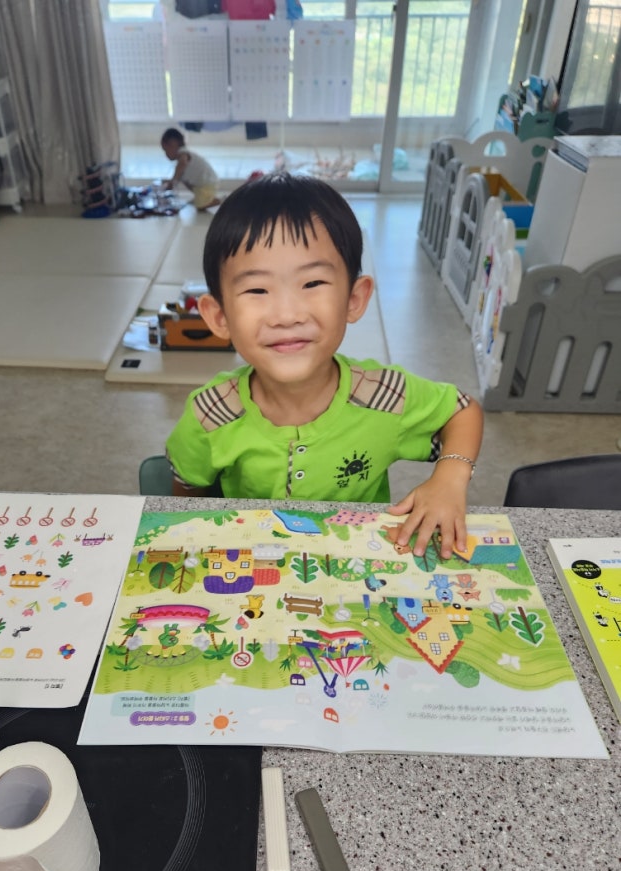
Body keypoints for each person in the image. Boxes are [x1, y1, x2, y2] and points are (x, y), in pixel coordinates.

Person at [165, 172, 483, 558]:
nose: (287, 315)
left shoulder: (383, 396)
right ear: (219, 317)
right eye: (257, 289)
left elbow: (463, 410)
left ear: (354, 299)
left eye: (313, 283)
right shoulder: (210, 414)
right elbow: (187, 499)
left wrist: (450, 477)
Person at [160, 127, 220, 210]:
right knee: (183, 179)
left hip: (208, 184)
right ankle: (202, 197)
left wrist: (173, 181)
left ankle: (218, 200)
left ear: (173, 144)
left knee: (200, 207)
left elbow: (182, 163)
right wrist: (171, 182)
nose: (166, 155)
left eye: (166, 150)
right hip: (202, 184)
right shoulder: (182, 155)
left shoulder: (183, 153)